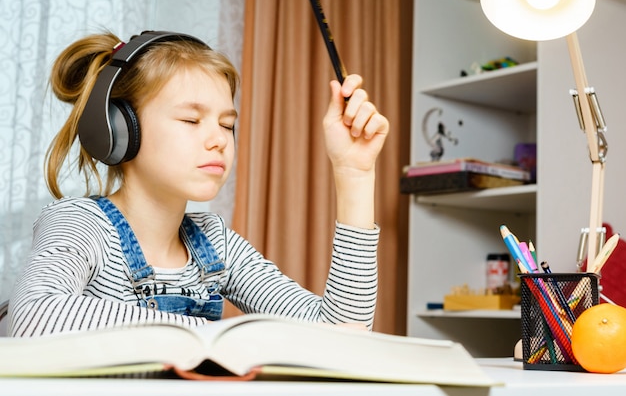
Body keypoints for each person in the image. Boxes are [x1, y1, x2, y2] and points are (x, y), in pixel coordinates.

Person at [7, 30, 389, 337]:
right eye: (192, 120)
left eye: (227, 124)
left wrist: (354, 173)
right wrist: (212, 335)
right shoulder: (81, 223)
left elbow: (341, 332)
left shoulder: (213, 242)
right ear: (119, 130)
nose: (219, 139)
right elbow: (35, 316)